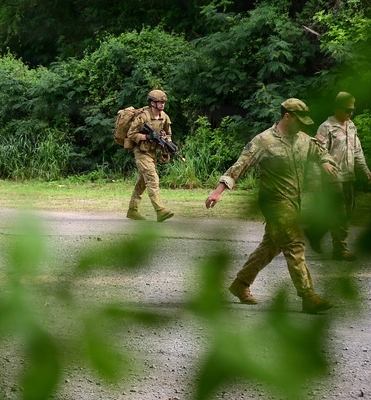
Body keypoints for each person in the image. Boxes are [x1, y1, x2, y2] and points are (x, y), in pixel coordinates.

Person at [205, 98, 338, 314]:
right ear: (287, 116)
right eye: (299, 120)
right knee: (294, 243)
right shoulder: (264, 141)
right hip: (274, 203)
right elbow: (241, 165)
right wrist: (219, 190)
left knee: (272, 245)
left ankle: (240, 284)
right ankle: (308, 296)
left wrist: (324, 161)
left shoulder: (303, 140)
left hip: (294, 201)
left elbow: (320, 151)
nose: (303, 125)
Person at [309, 92, 371, 261]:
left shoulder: (351, 126)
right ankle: (340, 250)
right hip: (332, 176)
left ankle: (315, 232)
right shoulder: (326, 127)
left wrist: (365, 170)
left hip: (349, 175)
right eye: (347, 110)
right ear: (337, 108)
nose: (350, 113)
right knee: (340, 214)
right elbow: (316, 151)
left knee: (347, 213)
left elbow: (357, 150)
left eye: (353, 110)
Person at [126, 89, 175, 222]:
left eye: (163, 102)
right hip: (141, 152)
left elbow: (168, 133)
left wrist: (169, 144)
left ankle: (132, 210)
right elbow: (131, 134)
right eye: (160, 102)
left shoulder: (164, 117)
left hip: (152, 153)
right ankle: (160, 211)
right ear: (152, 103)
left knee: (141, 183)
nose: (162, 105)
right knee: (152, 179)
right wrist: (147, 136)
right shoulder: (143, 117)